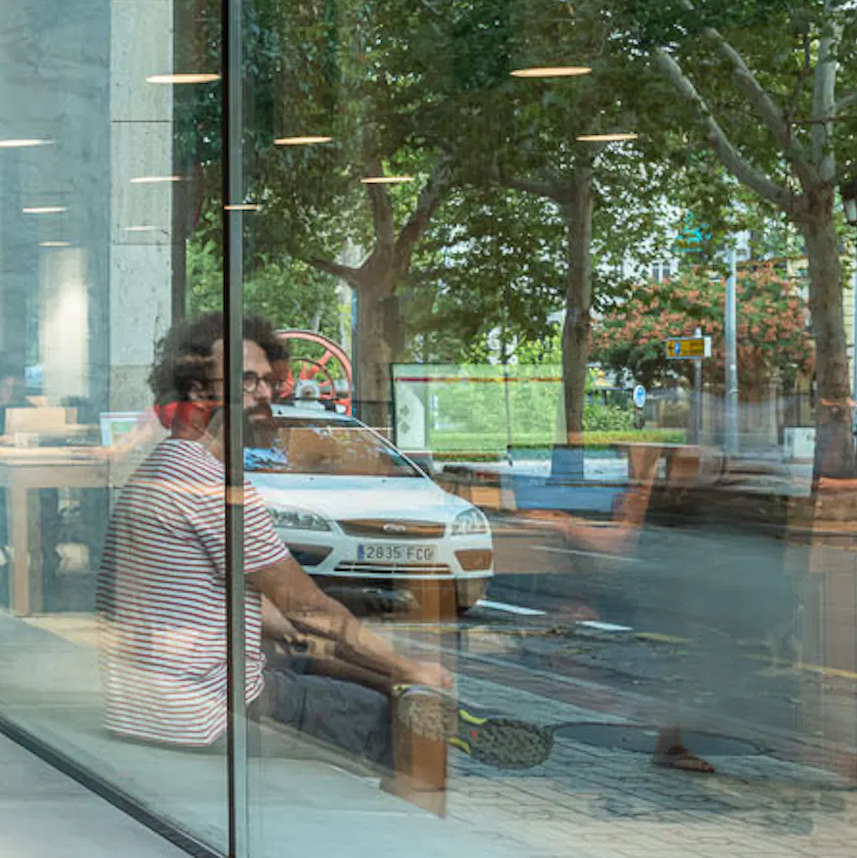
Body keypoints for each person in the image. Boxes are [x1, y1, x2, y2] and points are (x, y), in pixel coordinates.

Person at [103, 312, 543, 775]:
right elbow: (306, 605)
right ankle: (401, 763)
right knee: (395, 726)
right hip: (203, 714)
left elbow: (223, 596)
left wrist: (305, 639)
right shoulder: (211, 483)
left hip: (145, 704)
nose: (264, 394)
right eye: (247, 381)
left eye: (268, 381)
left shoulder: (163, 468)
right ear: (197, 390)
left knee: (310, 660)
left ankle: (398, 688)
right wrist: (407, 666)